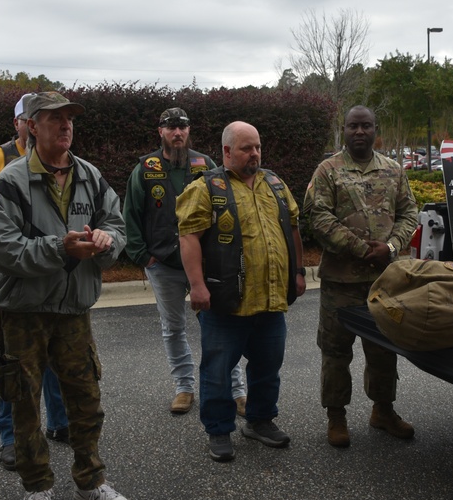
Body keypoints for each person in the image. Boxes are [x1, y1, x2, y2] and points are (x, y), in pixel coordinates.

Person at [0, 92, 132, 500]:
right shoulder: (11, 181)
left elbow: (117, 224)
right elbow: (3, 247)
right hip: (23, 311)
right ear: (31, 126)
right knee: (25, 402)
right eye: (53, 119)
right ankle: (37, 489)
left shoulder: (89, 176)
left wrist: (106, 242)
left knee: (85, 399)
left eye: (69, 119)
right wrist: (59, 247)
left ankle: (90, 484)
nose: (65, 126)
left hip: (73, 309)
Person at [177, 121, 306, 462]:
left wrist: (298, 271)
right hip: (225, 303)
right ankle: (219, 430)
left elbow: (292, 228)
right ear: (226, 151)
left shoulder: (275, 184)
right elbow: (188, 236)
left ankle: (260, 421)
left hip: (271, 299)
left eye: (258, 147)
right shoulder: (206, 187)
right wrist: (197, 286)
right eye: (247, 148)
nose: (255, 154)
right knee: (218, 370)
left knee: (268, 366)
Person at [0, 93, 69, 471]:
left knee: (57, 354)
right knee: (13, 361)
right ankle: (11, 438)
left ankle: (60, 423)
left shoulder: (62, 162)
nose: (31, 123)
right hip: (9, 279)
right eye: (27, 118)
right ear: (20, 124)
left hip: (54, 276)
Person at [304, 106, 419, 448]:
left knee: (384, 349)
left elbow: (409, 211)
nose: (359, 131)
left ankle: (383, 410)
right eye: (353, 126)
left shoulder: (394, 170)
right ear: (344, 130)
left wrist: (392, 246)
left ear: (374, 130)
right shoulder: (328, 171)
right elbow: (317, 217)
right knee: (336, 351)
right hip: (341, 282)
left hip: (384, 280)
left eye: (365, 126)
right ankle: (336, 417)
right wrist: (357, 247)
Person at [123, 107, 246, 416]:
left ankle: (236, 390)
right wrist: (144, 257)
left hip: (206, 265)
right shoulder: (145, 169)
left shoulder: (205, 165)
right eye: (170, 127)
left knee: (220, 326)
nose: (177, 132)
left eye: (182, 127)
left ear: (189, 130)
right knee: (173, 328)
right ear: (160, 131)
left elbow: (227, 208)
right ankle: (184, 388)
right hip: (163, 264)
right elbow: (131, 217)